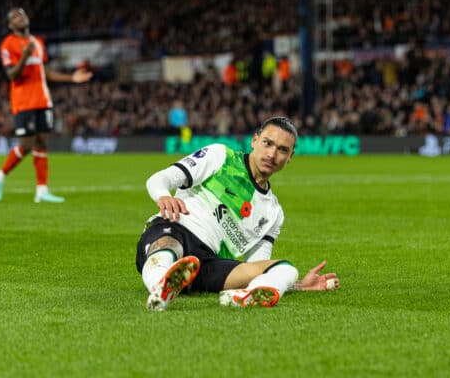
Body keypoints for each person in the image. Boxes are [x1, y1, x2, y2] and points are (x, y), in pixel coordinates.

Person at [136, 117, 339, 311]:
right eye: (268, 143)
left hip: (207, 265)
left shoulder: (273, 213)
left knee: (286, 269)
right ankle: (160, 287)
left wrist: (299, 285)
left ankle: (245, 297)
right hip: (175, 228)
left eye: (282, 150)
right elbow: (160, 178)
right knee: (170, 247)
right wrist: (163, 196)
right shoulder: (220, 156)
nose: (272, 154)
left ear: (290, 157)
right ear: (254, 140)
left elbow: (255, 266)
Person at [0, 7, 92, 203]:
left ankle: (42, 190)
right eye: (15, 17)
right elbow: (11, 75)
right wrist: (25, 56)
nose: (20, 18)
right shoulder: (8, 44)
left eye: (22, 14)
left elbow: (48, 73)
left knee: (42, 142)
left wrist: (72, 78)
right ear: (11, 25)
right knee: (26, 145)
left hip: (43, 99)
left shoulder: (37, 42)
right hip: (23, 101)